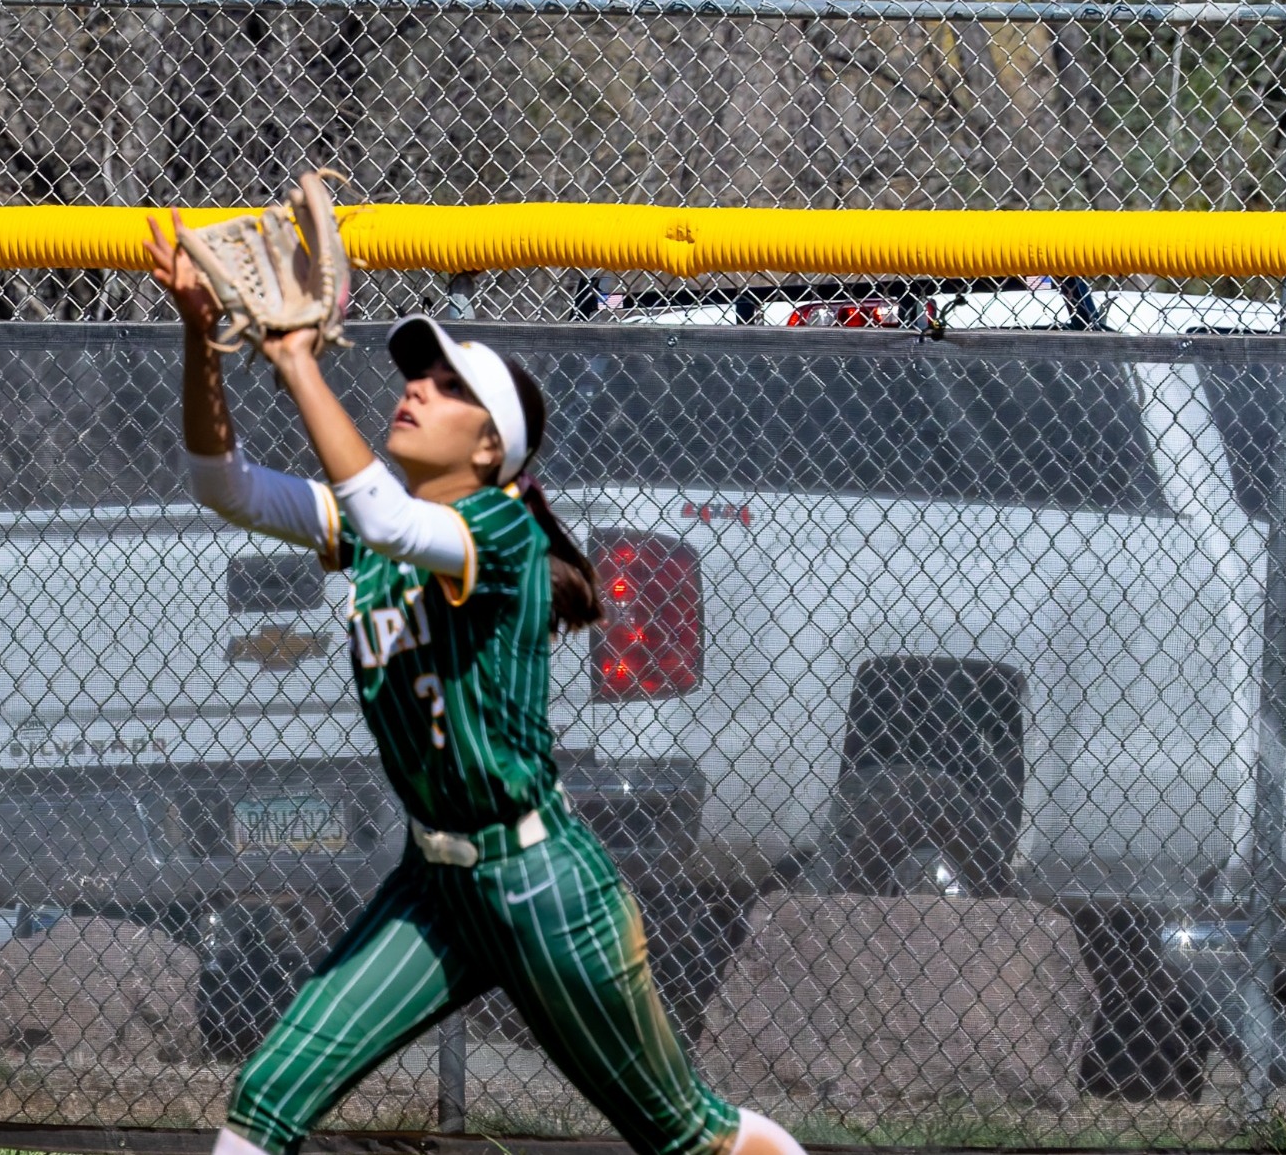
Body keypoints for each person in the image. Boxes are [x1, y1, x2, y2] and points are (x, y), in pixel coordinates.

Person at [145, 214, 805, 1155]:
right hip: (435, 887)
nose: (416, 388)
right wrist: (196, 334)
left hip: (544, 885)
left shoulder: (501, 532)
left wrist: (298, 363)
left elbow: (390, 520)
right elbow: (226, 486)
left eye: (449, 387)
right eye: (418, 374)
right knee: (266, 1096)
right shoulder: (376, 529)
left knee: (686, 1136)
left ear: (490, 450)